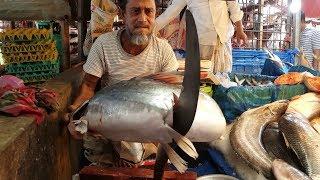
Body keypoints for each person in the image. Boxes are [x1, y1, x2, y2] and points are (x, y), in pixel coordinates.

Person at [65, 0, 179, 168]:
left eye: (149, 12)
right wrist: (76, 113)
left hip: (150, 126)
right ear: (123, 13)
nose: (142, 19)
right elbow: (89, 86)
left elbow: (172, 94)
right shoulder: (104, 44)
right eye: (135, 11)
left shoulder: (163, 50)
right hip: (112, 122)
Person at [154, 0, 248, 74]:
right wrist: (151, 30)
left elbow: (234, 6)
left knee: (223, 75)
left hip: (223, 40)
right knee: (203, 76)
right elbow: (170, 13)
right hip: (202, 43)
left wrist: (240, 29)